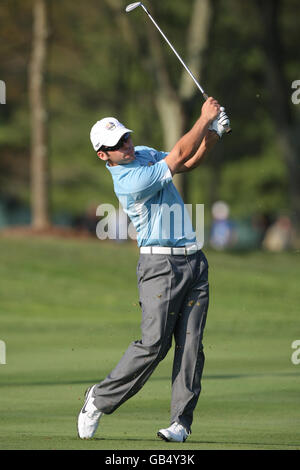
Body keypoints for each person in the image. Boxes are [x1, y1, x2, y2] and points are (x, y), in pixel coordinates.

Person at [77, 98, 230, 442]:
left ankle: (180, 423)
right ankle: (99, 399)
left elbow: (186, 162)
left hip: (194, 261)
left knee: (191, 345)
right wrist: (203, 118)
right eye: (117, 145)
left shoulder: (142, 152)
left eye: (126, 138)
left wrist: (214, 133)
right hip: (159, 266)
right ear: (104, 155)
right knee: (153, 345)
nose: (127, 146)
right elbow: (176, 156)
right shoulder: (127, 181)